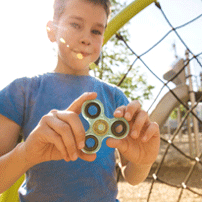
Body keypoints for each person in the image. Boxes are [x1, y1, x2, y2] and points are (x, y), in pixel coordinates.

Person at [0, 0, 160, 201]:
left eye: (96, 31)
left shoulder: (115, 98)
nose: (86, 38)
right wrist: (26, 154)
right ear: (51, 30)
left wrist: (144, 163)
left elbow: (132, 176)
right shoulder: (21, 92)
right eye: (75, 25)